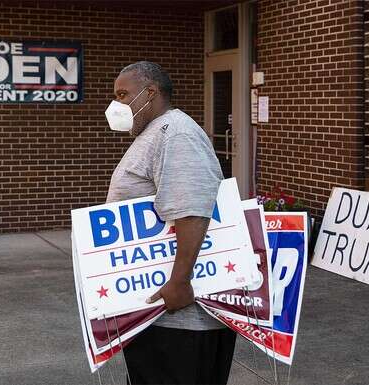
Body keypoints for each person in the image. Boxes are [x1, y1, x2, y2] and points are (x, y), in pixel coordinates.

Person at [104, 61, 236, 385]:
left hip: (179, 322)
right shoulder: (155, 132)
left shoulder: (176, 133)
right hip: (155, 314)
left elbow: (192, 209)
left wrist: (179, 282)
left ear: (150, 93)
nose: (116, 105)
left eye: (123, 95)